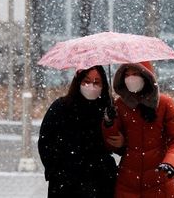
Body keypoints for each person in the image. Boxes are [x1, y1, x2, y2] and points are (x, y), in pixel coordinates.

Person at [102, 62, 174, 198]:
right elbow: (111, 144)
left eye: (135, 74)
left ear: (146, 77)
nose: (131, 78)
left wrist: (169, 163)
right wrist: (108, 123)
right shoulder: (120, 105)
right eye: (127, 75)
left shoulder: (165, 104)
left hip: (160, 183)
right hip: (127, 183)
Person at [38, 65, 117, 198]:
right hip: (66, 184)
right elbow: (45, 141)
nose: (91, 85)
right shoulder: (61, 107)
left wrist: (110, 122)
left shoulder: (108, 109)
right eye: (86, 80)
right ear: (78, 81)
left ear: (103, 85)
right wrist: (56, 171)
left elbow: (116, 143)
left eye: (97, 82)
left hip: (100, 182)